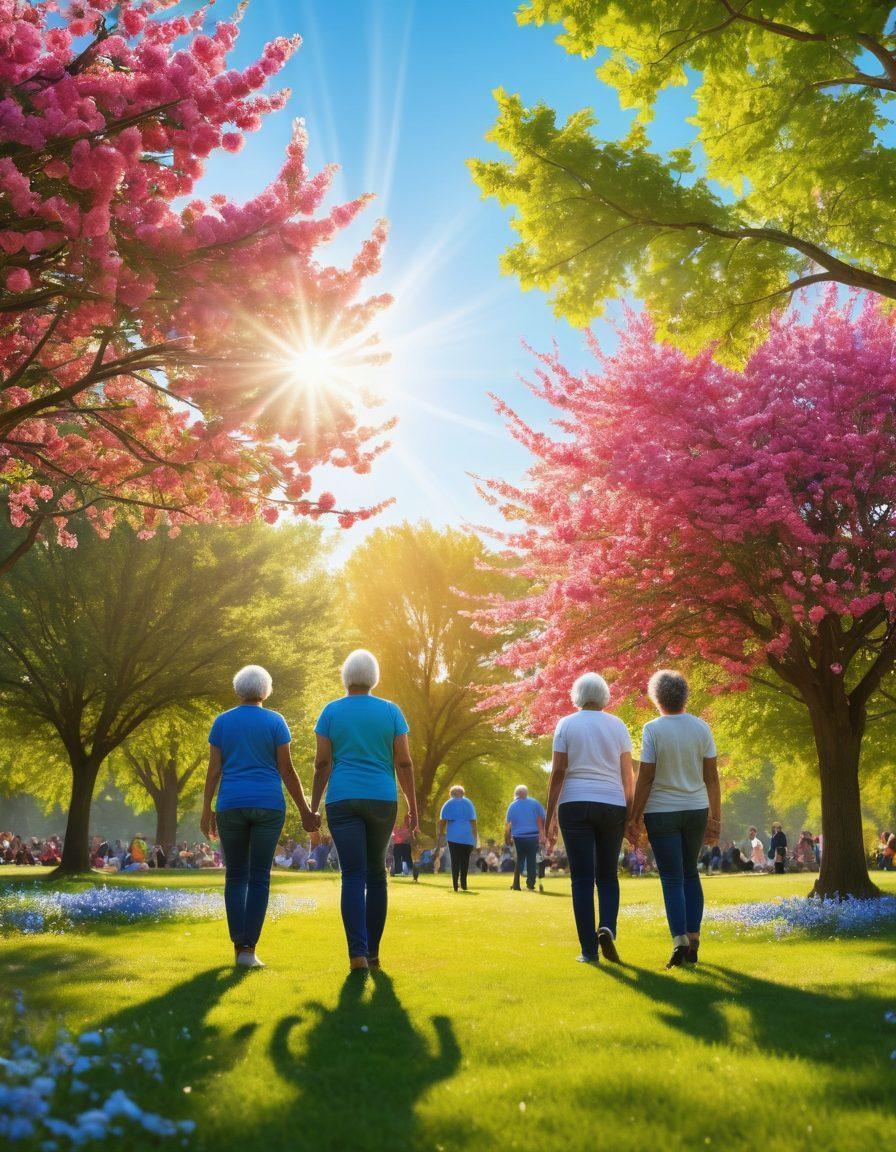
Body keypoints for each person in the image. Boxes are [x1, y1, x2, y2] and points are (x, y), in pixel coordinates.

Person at [200, 664, 319, 970]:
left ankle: (238, 945)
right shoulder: (276, 721)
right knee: (259, 877)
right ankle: (249, 950)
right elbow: (287, 770)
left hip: (231, 804)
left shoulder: (222, 722)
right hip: (268, 805)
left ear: (238, 689)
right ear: (265, 691)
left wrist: (206, 810)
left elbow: (214, 771)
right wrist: (306, 811)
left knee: (235, 875)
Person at [310, 649, 419, 972]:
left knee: (352, 876)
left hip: (342, 799)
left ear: (346, 677)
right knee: (376, 875)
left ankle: (356, 954)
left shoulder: (330, 712)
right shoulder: (391, 712)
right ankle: (373, 954)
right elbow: (404, 761)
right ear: (374, 678)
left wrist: (312, 808)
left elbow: (322, 763)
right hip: (381, 799)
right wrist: (413, 806)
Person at [627, 670, 721, 969]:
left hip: (662, 810)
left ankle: (679, 938)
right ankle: (693, 937)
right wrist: (715, 819)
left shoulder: (653, 729)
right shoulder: (702, 728)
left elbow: (645, 777)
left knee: (671, 877)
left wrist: (633, 816)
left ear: (657, 698)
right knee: (690, 872)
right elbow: (712, 778)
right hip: (695, 808)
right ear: (685, 695)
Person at [545, 671, 634, 965]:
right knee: (607, 875)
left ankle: (588, 950)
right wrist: (631, 813)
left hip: (574, 803)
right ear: (605, 696)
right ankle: (607, 925)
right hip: (611, 803)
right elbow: (627, 775)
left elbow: (558, 773)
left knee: (581, 879)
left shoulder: (566, 724)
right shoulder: (618, 725)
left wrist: (549, 817)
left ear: (577, 695)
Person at [436, 785, 478, 892]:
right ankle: (464, 884)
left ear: (452, 793)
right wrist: (475, 838)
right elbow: (473, 822)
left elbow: (442, 821)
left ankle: (455, 885)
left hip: (454, 837)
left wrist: (440, 833)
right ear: (463, 793)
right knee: (465, 861)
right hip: (467, 837)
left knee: (455, 860)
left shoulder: (448, 803)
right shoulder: (469, 803)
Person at [505, 784, 545, 892]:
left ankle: (516, 884)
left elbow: (508, 824)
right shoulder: (535, 803)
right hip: (533, 836)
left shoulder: (512, 805)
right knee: (531, 859)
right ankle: (531, 884)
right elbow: (543, 817)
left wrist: (507, 838)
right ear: (526, 793)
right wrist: (542, 832)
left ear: (516, 794)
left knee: (519, 859)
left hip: (518, 837)